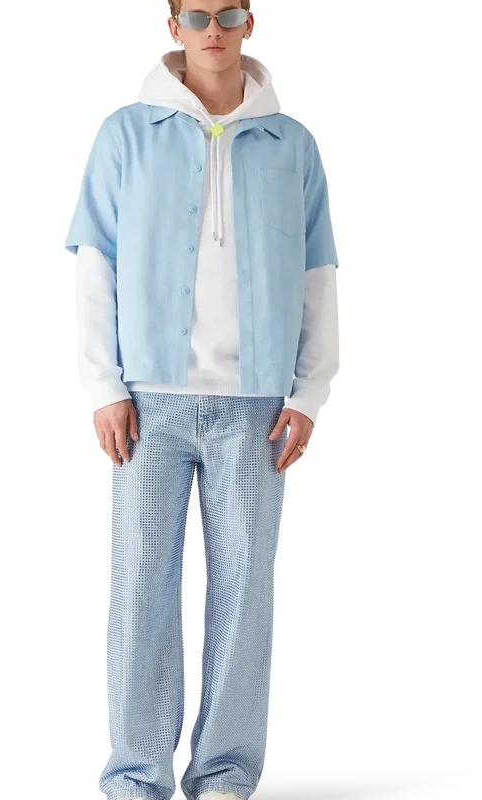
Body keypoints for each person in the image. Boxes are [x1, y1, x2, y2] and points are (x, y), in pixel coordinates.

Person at [65, 2, 340, 798]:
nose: (212, 29)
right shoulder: (125, 133)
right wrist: (102, 387)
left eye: (227, 14)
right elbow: (91, 262)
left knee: (247, 591)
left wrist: (311, 392)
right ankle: (137, 773)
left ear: (250, 24)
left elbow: (321, 275)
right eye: (196, 15)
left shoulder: (293, 143)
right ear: (172, 25)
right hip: (147, 401)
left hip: (258, 404)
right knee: (140, 586)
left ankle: (225, 770)